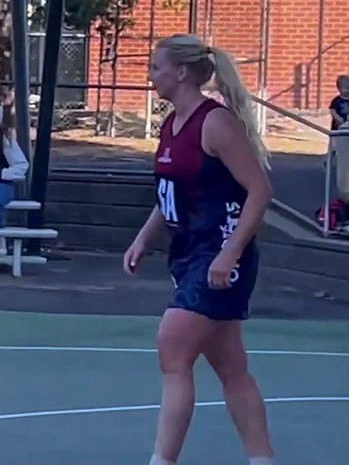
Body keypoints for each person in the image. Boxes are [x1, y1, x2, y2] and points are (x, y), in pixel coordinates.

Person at [122, 34, 275, 465]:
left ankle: (162, 460)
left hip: (220, 253)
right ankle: (263, 459)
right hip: (189, 254)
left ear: (182, 73)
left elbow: (260, 190)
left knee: (172, 348)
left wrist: (230, 254)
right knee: (231, 367)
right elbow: (172, 191)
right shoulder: (172, 124)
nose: (151, 75)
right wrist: (144, 237)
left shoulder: (216, 123)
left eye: (156, 67)